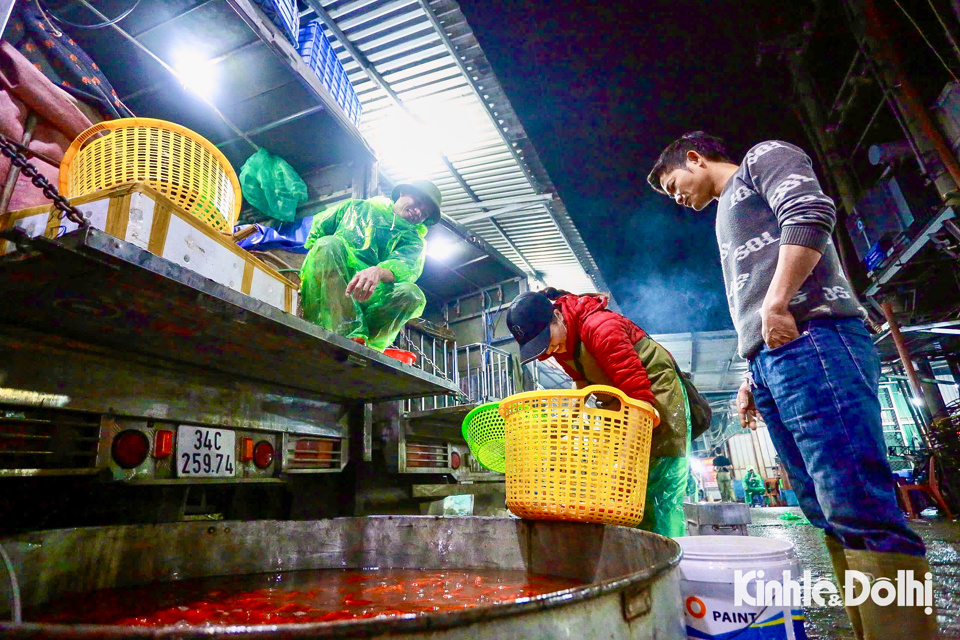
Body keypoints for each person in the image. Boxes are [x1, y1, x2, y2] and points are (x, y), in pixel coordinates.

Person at [648, 132, 936, 638]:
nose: (677, 198)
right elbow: (751, 293)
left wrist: (778, 305)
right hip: (774, 358)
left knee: (858, 504)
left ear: (695, 157)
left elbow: (809, 214)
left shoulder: (762, 157)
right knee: (823, 508)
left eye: (675, 184)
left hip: (815, 336)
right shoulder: (724, 213)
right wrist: (749, 375)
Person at [506, 287, 692, 538]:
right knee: (619, 488)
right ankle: (632, 556)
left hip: (657, 399)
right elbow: (582, 383)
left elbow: (641, 398)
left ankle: (667, 557)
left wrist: (627, 456)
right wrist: (565, 421)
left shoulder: (601, 327)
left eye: (545, 340)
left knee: (657, 489)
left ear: (557, 317)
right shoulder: (561, 344)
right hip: (622, 408)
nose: (547, 351)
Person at [299, 180, 441, 351]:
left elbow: (406, 268)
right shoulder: (356, 208)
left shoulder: (414, 241)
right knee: (328, 244)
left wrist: (378, 272)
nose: (418, 212)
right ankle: (346, 330)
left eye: (424, 213)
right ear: (402, 193)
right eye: (417, 203)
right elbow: (318, 231)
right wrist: (310, 274)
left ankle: (366, 342)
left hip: (372, 296)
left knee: (413, 294)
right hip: (335, 286)